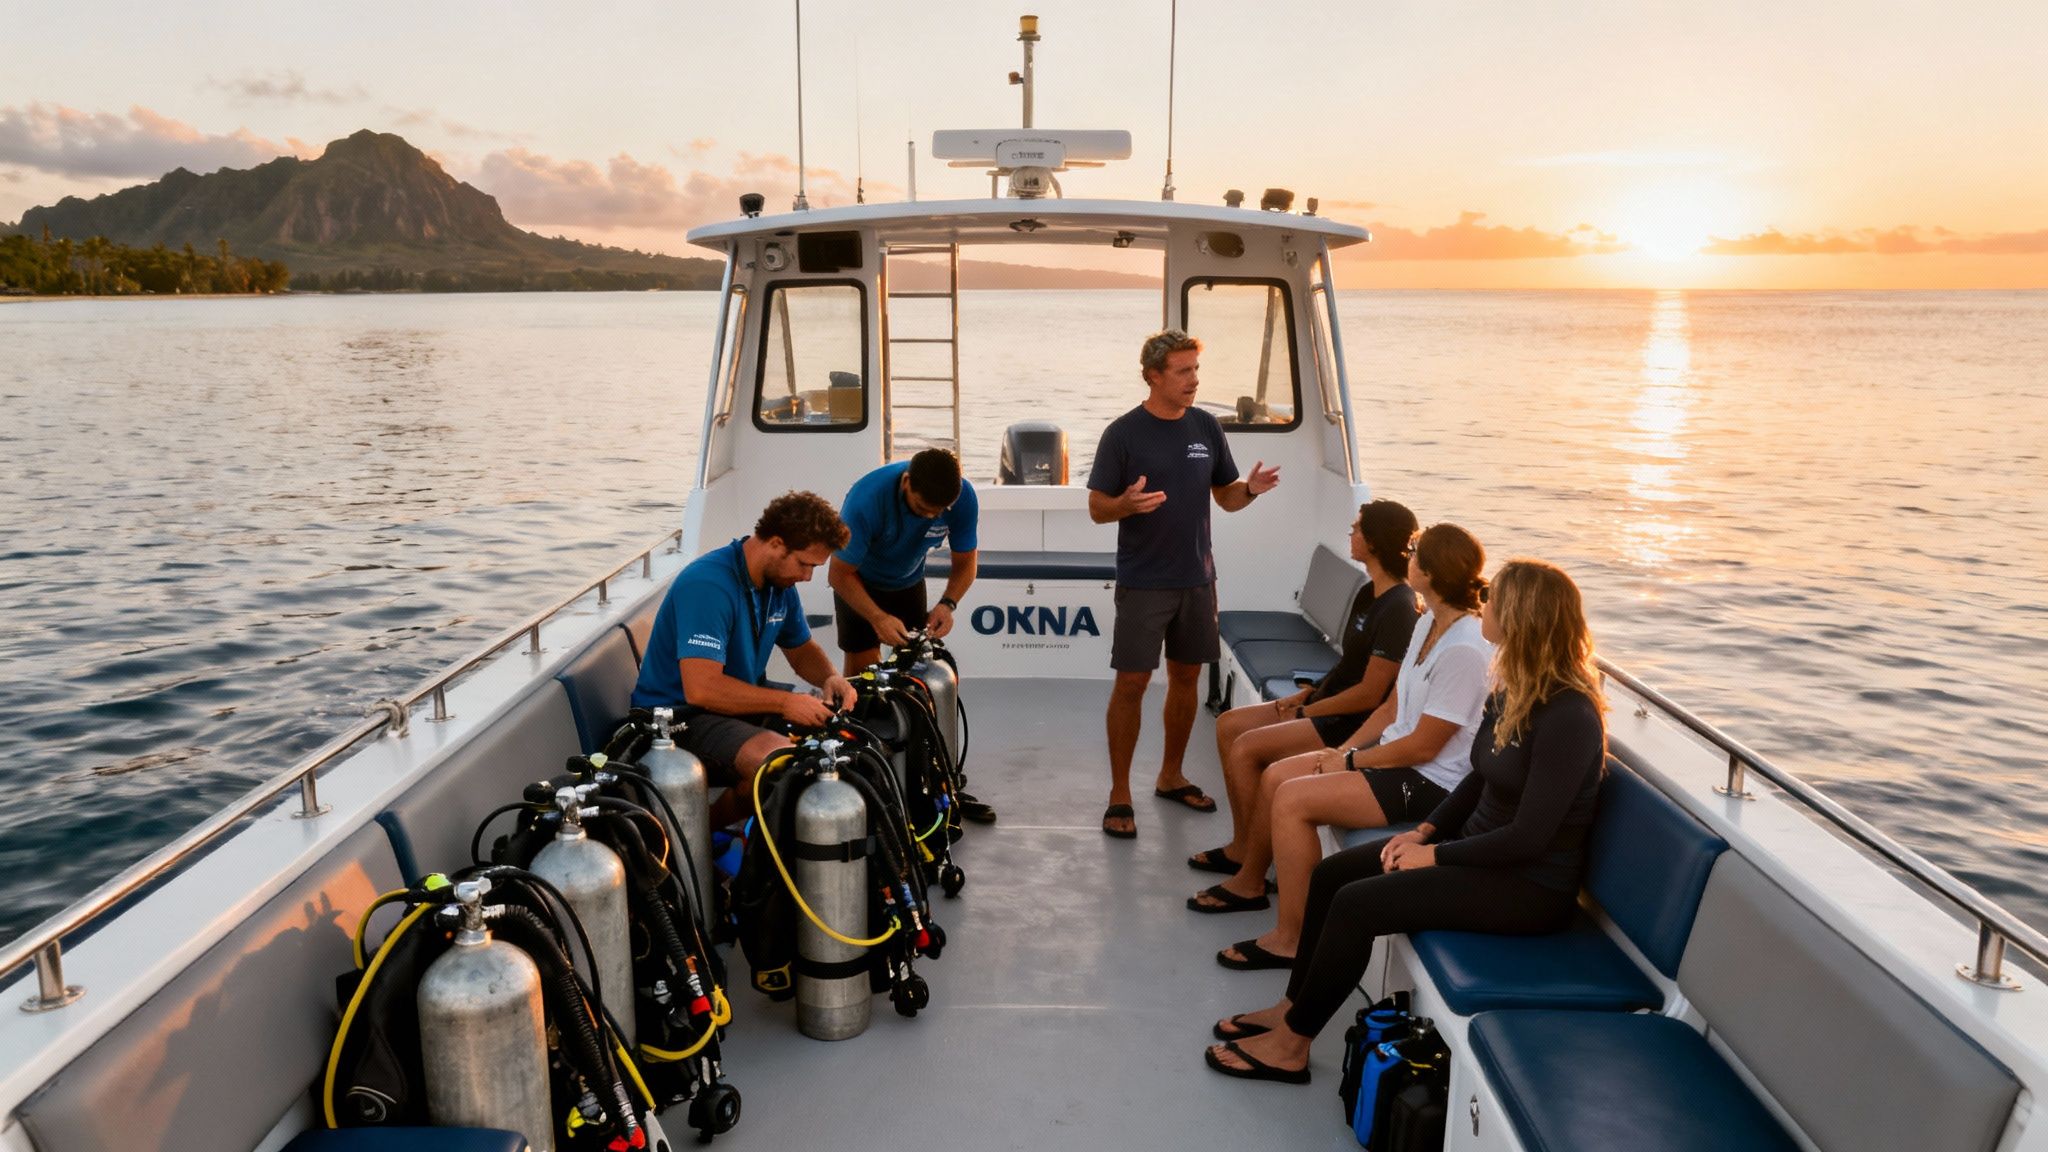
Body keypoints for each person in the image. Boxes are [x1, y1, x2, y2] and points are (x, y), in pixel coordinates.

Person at [1203, 559, 1607, 1085]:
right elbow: (1477, 781)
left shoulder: (1569, 715)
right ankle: (1291, 1007)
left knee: (1356, 905)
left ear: (1521, 617)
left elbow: (1529, 838)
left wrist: (1432, 856)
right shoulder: (1513, 687)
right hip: (1474, 850)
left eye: (1497, 601)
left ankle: (1290, 1046)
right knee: (1332, 877)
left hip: (1526, 886)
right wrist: (1425, 831)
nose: (1485, 606)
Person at [1192, 525, 1491, 978]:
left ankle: (1291, 939)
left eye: (1414, 554)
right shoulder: (1427, 619)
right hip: (1397, 757)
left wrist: (1350, 761)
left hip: (1433, 782)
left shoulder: (1466, 648)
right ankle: (1255, 886)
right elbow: (1393, 706)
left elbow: (1426, 744)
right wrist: (1344, 749)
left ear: (1430, 571)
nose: (1406, 558)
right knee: (1277, 777)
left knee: (1293, 798)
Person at [1088, 328, 1280, 839]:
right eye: (1184, 371)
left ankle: (1171, 775)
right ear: (1154, 376)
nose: (1194, 380)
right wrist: (1124, 505)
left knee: (1187, 680)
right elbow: (1096, 509)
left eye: (1196, 369)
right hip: (1144, 581)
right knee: (1130, 683)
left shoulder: (1206, 428)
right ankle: (1119, 793)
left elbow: (1227, 498)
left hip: (1198, 577)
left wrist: (1251, 491)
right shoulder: (1122, 434)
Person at [1188, 499, 1421, 878]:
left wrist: (1308, 711)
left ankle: (1252, 864)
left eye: (1358, 528)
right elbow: (1347, 666)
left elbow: (1370, 695)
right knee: (1228, 725)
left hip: (1350, 722)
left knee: (1247, 749)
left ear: (1375, 542)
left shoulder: (1399, 608)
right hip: (1328, 704)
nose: (1351, 533)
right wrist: (1308, 693)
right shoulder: (1369, 593)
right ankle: (1244, 847)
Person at [630, 491, 860, 828]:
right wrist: (785, 703)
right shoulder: (709, 585)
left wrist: (830, 677)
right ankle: (703, 839)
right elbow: (701, 689)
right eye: (805, 564)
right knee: (779, 763)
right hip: (678, 718)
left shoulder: (777, 585)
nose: (808, 577)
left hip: (736, 707)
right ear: (777, 544)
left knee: (844, 743)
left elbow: (801, 650)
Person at [829, 448, 979, 675]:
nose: (929, 517)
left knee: (914, 668)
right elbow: (838, 575)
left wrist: (948, 604)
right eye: (921, 509)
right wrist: (878, 618)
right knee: (864, 670)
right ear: (906, 481)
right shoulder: (865, 500)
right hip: (858, 582)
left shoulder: (963, 498)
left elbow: (966, 563)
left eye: (938, 513)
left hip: (909, 580)